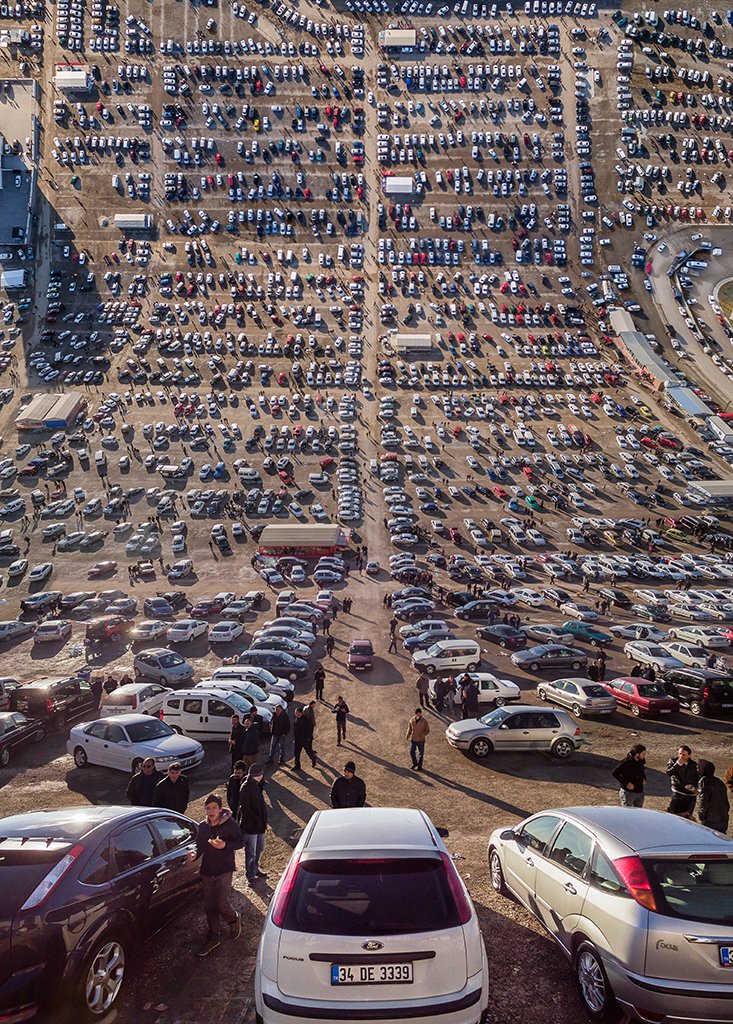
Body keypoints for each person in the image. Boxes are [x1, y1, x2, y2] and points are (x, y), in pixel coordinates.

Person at [188, 793, 244, 958]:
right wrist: (194, 854)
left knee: (221, 903)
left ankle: (233, 919)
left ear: (220, 809)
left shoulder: (230, 825)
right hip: (207, 871)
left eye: (214, 807)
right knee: (209, 906)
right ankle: (214, 936)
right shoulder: (203, 827)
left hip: (224, 870)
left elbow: (240, 842)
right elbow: (199, 846)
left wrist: (225, 845)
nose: (210, 811)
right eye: (208, 808)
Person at [236, 764, 268, 884]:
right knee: (251, 852)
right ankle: (250, 875)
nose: (261, 776)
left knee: (260, 848)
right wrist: (255, 819)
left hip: (259, 825)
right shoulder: (246, 787)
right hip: (251, 826)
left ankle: (255, 869)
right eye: (260, 774)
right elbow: (245, 808)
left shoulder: (256, 785)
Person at [666, 745, 699, 818]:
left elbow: (697, 778)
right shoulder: (673, 761)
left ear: (689, 756)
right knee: (674, 815)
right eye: (680, 753)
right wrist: (677, 765)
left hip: (690, 795)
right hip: (678, 792)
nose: (681, 756)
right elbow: (669, 772)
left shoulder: (694, 765)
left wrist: (695, 789)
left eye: (683, 755)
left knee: (688, 816)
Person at [698, 760, 730, 833]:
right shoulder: (719, 782)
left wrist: (701, 816)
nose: (697, 770)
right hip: (723, 819)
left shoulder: (704, 781)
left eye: (698, 768)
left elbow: (703, 801)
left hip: (711, 820)